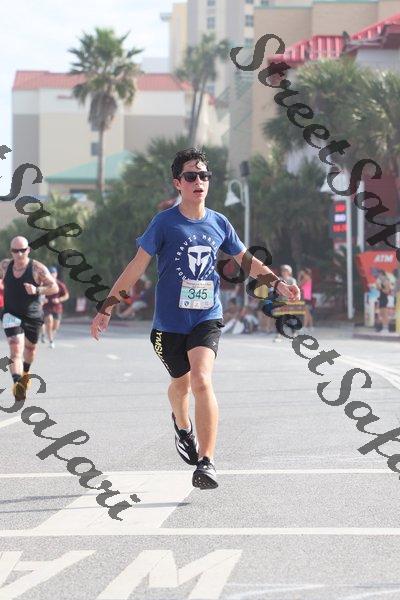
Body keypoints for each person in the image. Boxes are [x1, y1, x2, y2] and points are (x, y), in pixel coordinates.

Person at [90, 148, 300, 490]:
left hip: (206, 316)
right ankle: (182, 425)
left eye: (204, 176)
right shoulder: (164, 223)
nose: (198, 181)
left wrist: (277, 284)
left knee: (201, 380)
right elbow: (136, 267)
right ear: (178, 183)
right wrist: (107, 307)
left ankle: (207, 461)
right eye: (191, 176)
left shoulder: (219, 222)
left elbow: (246, 260)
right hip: (168, 325)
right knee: (181, 385)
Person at [0, 236, 58, 400]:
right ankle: (18, 384)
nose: (19, 254)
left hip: (32, 315)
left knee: (30, 350)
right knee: (15, 348)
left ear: (28, 250)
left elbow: (54, 287)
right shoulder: (5, 265)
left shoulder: (37, 268)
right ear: (11, 251)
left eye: (22, 250)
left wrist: (37, 290)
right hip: (10, 314)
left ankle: (25, 372)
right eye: (15, 251)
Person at [42, 266, 69, 348]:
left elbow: (66, 295)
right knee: (49, 321)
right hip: (46, 307)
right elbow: (39, 293)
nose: (52, 275)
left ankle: (49, 335)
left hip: (57, 308)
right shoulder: (44, 284)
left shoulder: (60, 284)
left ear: (56, 274)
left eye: (53, 273)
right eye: (50, 273)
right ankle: (51, 341)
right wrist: (42, 299)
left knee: (55, 327)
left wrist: (59, 299)